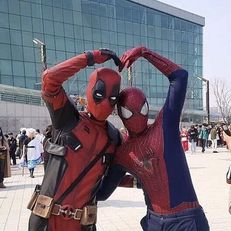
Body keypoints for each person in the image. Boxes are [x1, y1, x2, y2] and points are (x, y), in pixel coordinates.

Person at [97, 47, 209, 231]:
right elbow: (103, 191)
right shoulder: (161, 130)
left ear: (147, 108)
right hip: (166, 220)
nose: (136, 116)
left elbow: (181, 76)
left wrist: (144, 52)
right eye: (129, 111)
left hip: (181, 220)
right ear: (122, 114)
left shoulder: (161, 130)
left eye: (141, 109)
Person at [28, 49, 122, 231]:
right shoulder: (68, 119)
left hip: (82, 225)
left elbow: (113, 176)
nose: (104, 103)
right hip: (47, 222)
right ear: (90, 90)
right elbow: (50, 79)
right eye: (99, 95)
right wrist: (89, 58)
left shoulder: (113, 138)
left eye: (112, 98)